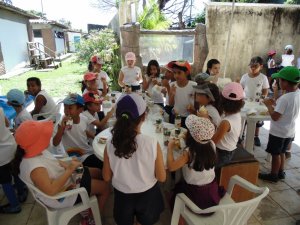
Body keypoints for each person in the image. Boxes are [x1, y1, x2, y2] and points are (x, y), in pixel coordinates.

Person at [13, 120, 110, 224]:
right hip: (63, 194)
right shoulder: (36, 168)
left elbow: (54, 162)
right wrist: (70, 169)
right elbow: (51, 190)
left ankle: (87, 204)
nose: (48, 137)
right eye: (44, 137)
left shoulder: (34, 152)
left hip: (66, 178)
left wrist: (69, 165)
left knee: (98, 172)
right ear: (37, 143)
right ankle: (91, 220)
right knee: (105, 188)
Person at [102, 93, 166, 225]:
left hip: (122, 196)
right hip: (148, 196)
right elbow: (161, 177)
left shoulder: (109, 144)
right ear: (144, 117)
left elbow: (106, 177)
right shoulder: (152, 143)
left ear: (118, 117)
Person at [167, 115, 225, 210]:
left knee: (173, 193)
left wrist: (170, 147)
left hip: (195, 195)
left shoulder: (189, 152)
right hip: (211, 192)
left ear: (191, 135)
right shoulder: (211, 144)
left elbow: (171, 167)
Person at [259, 67, 300, 183]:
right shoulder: (297, 94)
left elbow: (275, 117)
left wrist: (268, 105)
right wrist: (276, 104)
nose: (278, 82)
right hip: (289, 131)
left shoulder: (285, 98)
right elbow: (287, 110)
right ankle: (281, 172)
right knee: (282, 152)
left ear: (286, 82)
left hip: (278, 132)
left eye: (280, 80)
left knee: (275, 153)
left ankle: (273, 175)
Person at [53, 93, 103, 170]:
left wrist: (95, 137)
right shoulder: (62, 123)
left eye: (70, 108)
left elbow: (83, 131)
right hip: (77, 157)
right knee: (101, 163)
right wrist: (61, 128)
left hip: (87, 151)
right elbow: (55, 143)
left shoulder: (84, 119)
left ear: (80, 110)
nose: (66, 111)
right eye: (65, 108)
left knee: (105, 158)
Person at [0, 108, 28, 214]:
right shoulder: (1, 109)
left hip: (1, 154)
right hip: (11, 145)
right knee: (15, 171)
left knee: (5, 181)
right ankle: (22, 193)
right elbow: (7, 124)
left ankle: (15, 205)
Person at [212, 82, 245, 168]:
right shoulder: (235, 114)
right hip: (228, 150)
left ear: (222, 100)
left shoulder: (226, 122)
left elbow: (213, 142)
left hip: (223, 154)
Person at [240, 56, 269, 146]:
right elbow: (241, 88)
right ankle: (242, 135)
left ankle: (256, 136)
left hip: (257, 103)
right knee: (244, 119)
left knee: (257, 121)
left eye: (255, 66)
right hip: (246, 102)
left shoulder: (263, 78)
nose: (252, 68)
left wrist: (263, 98)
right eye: (251, 66)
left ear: (261, 66)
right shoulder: (245, 77)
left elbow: (265, 89)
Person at [169, 60, 197, 126]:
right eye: (174, 73)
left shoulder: (194, 85)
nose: (176, 75)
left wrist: (193, 109)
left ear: (186, 73)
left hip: (189, 118)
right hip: (175, 116)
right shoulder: (172, 85)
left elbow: (198, 104)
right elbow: (170, 104)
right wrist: (172, 94)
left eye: (179, 73)